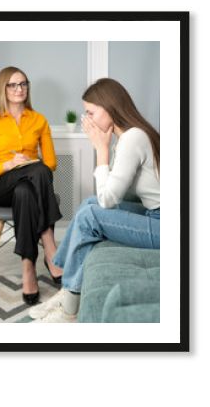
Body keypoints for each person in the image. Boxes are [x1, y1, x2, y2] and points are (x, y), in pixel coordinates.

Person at [29, 77, 160, 322]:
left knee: (92, 214)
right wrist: (104, 147)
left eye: (90, 112)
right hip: (156, 214)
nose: (85, 119)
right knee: (89, 204)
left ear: (110, 108)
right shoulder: (128, 137)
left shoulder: (133, 138)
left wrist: (100, 149)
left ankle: (68, 308)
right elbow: (104, 196)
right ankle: (67, 290)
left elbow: (108, 200)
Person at [0, 66, 62, 305]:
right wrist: (10, 164)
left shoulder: (38, 120)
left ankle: (28, 269)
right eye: (13, 85)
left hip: (29, 185)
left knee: (26, 190)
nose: (19, 89)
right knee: (36, 172)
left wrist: (28, 164)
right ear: (3, 88)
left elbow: (51, 164)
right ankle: (49, 245)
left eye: (23, 84)